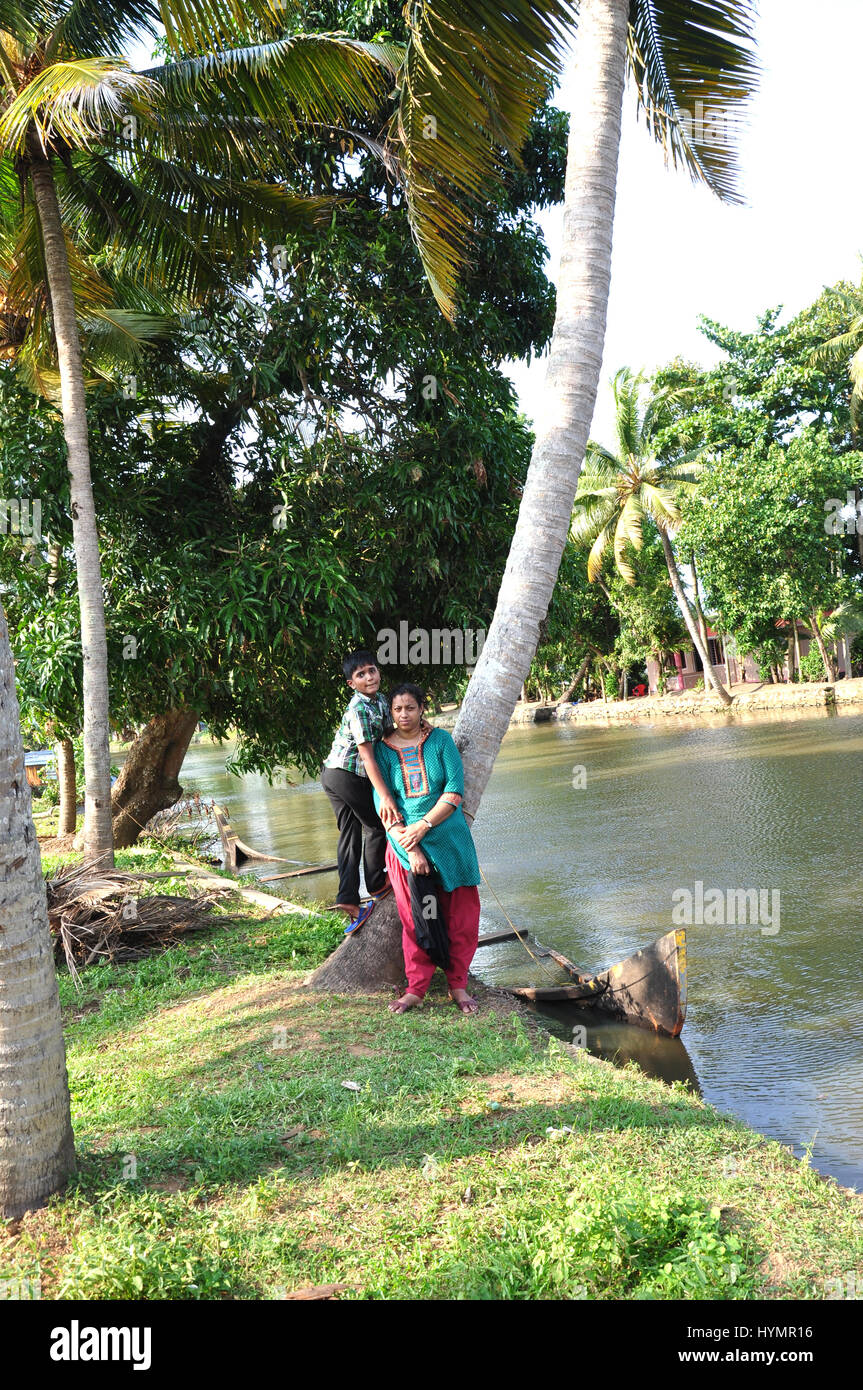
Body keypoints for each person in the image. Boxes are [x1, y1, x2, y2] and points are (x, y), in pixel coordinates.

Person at [373, 682, 481, 1015]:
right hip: (405, 846)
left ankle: (458, 986)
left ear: (422, 708)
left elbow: (453, 792)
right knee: (416, 918)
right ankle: (416, 989)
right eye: (397, 709)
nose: (403, 715)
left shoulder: (441, 741)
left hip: (450, 841)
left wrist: (424, 826)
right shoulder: (381, 750)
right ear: (390, 713)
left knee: (460, 918)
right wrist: (412, 847)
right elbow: (384, 804)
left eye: (410, 707)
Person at [321, 650, 400, 933]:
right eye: (360, 675)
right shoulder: (358, 709)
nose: (369, 677)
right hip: (345, 774)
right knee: (378, 825)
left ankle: (348, 899)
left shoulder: (380, 701)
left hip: (333, 773)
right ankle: (378, 883)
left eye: (372, 671)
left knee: (350, 834)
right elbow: (367, 756)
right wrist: (386, 796)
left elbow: (390, 733)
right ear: (351, 684)